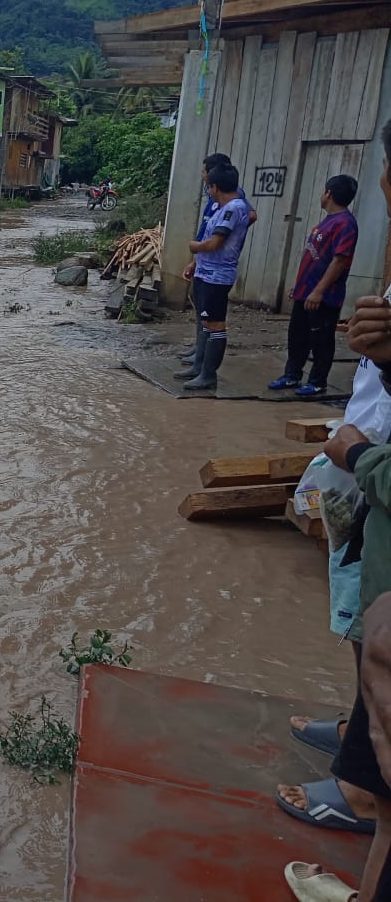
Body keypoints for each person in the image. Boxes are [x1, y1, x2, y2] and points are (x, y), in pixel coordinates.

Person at [281, 119, 391, 902]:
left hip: (376, 458)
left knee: (376, 623)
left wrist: (360, 455)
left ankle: (363, 782)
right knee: (361, 612)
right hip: (368, 453)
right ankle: (360, 736)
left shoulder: (346, 230)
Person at [268, 175, 360, 397]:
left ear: (328, 194)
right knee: (297, 336)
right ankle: (292, 374)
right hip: (305, 292)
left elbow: (339, 261)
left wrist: (319, 291)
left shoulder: (345, 223)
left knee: (321, 339)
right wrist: (299, 287)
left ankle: (318, 381)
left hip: (325, 296)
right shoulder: (327, 221)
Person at [175, 163, 252, 390]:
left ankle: (208, 375)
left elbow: (215, 242)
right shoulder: (224, 207)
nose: (208, 191)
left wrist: (194, 247)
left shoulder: (232, 209)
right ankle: (200, 368)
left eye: (209, 186)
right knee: (206, 323)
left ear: (215, 187)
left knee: (215, 325)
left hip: (217, 277)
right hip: (206, 272)